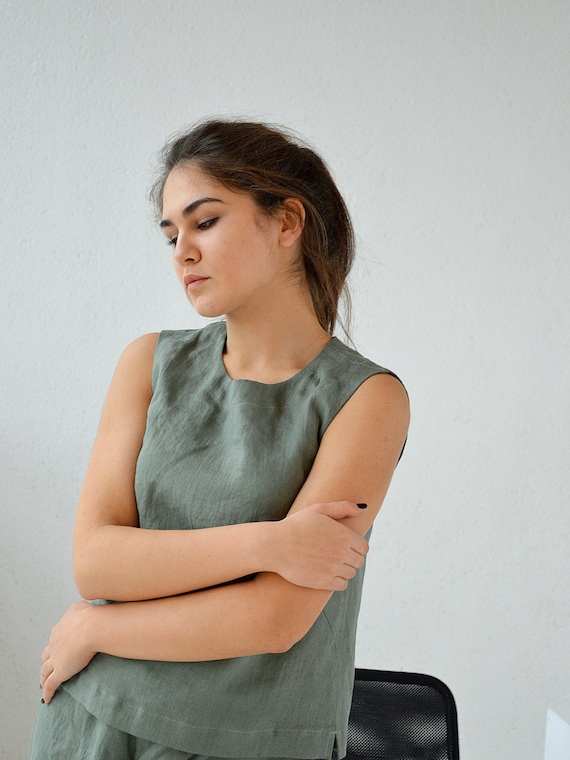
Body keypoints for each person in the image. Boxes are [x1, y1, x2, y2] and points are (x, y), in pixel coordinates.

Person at [30, 119, 409, 760]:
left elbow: (276, 619)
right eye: (171, 233)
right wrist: (272, 542)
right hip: (97, 717)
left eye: (204, 222)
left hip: (252, 742)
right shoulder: (148, 363)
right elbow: (96, 559)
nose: (182, 251)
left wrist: (98, 623)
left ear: (287, 222)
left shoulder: (367, 399)